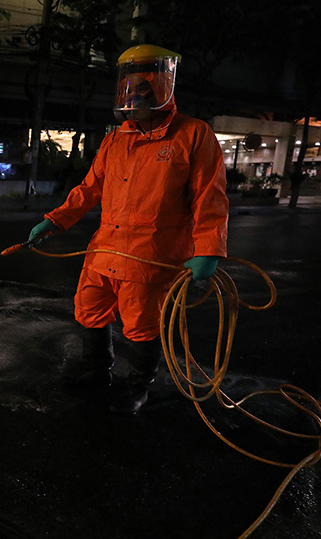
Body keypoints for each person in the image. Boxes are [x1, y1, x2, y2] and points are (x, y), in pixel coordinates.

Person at [28, 44, 229, 414]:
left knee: (141, 326)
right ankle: (95, 372)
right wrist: (55, 219)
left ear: (163, 87)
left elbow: (209, 199)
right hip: (104, 250)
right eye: (129, 89)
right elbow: (90, 188)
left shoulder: (193, 135)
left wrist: (207, 250)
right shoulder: (116, 138)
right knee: (89, 311)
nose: (134, 96)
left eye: (144, 89)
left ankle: (138, 387)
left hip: (151, 257)